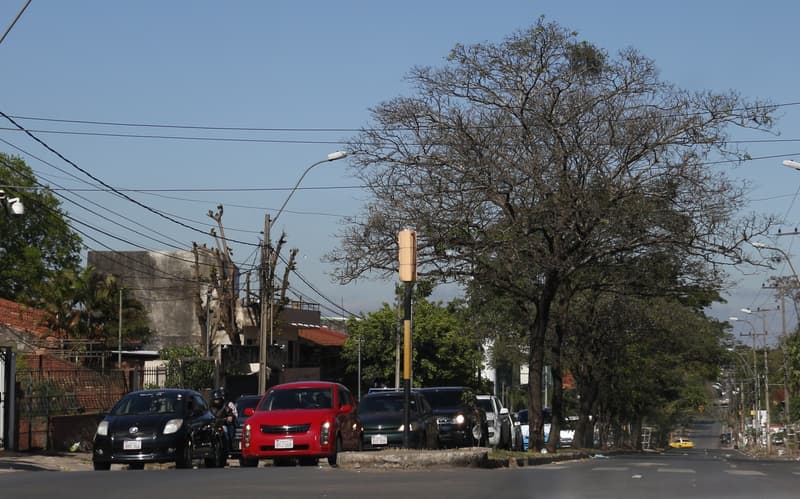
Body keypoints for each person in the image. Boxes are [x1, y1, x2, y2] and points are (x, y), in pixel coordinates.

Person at [211, 388, 238, 452]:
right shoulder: (210, 407)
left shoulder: (225, 405)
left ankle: (227, 448)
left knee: (225, 433)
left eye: (218, 399)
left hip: (222, 424)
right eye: (216, 399)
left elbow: (230, 413)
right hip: (213, 425)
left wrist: (230, 416)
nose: (217, 401)